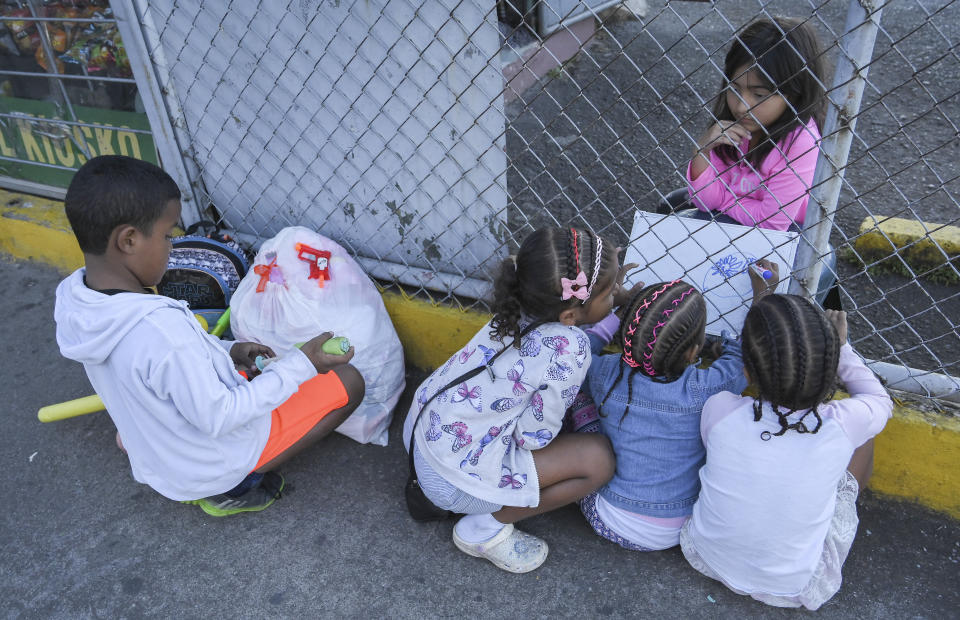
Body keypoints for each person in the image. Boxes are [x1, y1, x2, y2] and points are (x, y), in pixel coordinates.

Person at [54, 155, 365, 516]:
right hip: (208, 465)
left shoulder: (81, 301)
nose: (172, 246)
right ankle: (235, 487)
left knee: (258, 379)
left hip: (158, 457)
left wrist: (229, 349)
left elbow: (161, 366)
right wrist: (304, 364)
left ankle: (156, 455)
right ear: (129, 240)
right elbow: (221, 416)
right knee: (349, 381)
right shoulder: (159, 332)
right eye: (168, 235)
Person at [403, 226, 637, 573]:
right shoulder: (570, 350)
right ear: (570, 316)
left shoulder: (518, 305)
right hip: (454, 480)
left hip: (423, 437)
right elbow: (532, 437)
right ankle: (486, 528)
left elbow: (568, 325)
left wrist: (608, 301)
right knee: (598, 460)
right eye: (611, 291)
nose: (618, 292)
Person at [680, 296, 893, 610]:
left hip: (703, 555)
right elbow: (879, 399)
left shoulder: (721, 407)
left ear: (748, 373)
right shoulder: (843, 422)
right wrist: (843, 347)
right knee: (864, 433)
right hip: (793, 588)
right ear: (830, 370)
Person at [576, 260, 777, 551]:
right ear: (695, 351)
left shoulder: (606, 371)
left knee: (578, 393)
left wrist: (619, 311)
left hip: (608, 517)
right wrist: (763, 296)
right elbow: (743, 359)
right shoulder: (707, 386)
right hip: (680, 526)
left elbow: (579, 348)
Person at [662, 17, 826, 232]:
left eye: (759, 94)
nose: (741, 107)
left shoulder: (801, 142)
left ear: (795, 94)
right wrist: (701, 151)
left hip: (788, 232)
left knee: (686, 221)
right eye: (735, 89)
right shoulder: (732, 125)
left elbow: (771, 223)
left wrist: (724, 202)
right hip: (744, 210)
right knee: (669, 206)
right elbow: (705, 202)